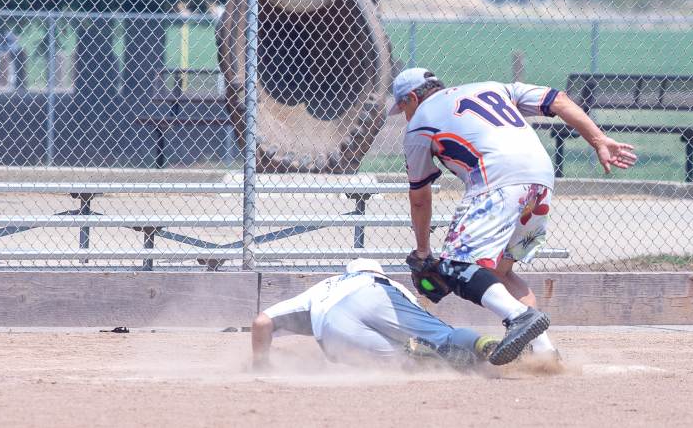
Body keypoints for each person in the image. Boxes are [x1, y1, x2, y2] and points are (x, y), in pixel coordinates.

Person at [387, 68, 637, 367]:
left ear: (412, 97)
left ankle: (519, 316)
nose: (405, 117)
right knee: (499, 273)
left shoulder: (418, 126)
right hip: (540, 178)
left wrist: (424, 250)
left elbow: (420, 198)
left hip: (498, 179)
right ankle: (544, 354)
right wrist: (598, 140)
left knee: (455, 265)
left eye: (403, 108)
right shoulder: (493, 86)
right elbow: (557, 99)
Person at [251, 259, 500, 371]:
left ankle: (432, 360)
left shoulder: (326, 286)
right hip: (380, 295)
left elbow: (261, 322)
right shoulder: (390, 284)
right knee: (443, 337)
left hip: (333, 323)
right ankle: (483, 346)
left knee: (405, 361)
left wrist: (261, 365)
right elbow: (412, 321)